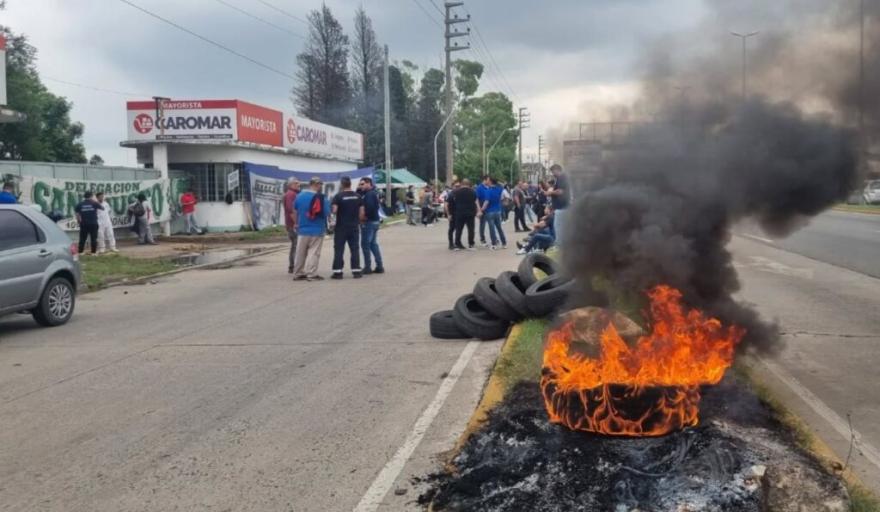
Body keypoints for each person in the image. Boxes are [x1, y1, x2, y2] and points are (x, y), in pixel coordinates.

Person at [292, 177, 330, 282]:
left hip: (302, 229)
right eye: (320, 184)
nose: (321, 186)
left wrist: (296, 223)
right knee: (314, 252)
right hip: (317, 229)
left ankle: (298, 273)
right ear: (317, 185)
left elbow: (294, 210)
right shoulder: (322, 198)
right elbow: (327, 213)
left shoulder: (299, 196)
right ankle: (311, 274)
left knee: (300, 252)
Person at [330, 177, 364, 279]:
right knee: (355, 249)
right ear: (350, 184)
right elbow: (362, 213)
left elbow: (334, 211)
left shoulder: (338, 196)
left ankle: (338, 272)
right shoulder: (358, 196)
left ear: (342, 184)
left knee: (339, 249)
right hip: (354, 227)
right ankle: (356, 271)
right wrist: (359, 222)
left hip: (341, 227)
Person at [359, 177, 385, 275]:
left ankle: (367, 267)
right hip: (375, 221)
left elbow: (369, 207)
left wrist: (364, 217)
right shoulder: (372, 193)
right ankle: (379, 266)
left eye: (362, 184)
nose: (360, 186)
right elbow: (377, 206)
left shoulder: (369, 194)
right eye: (360, 184)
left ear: (369, 183)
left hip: (369, 222)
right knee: (373, 244)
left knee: (365, 245)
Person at [479, 177, 507, 250]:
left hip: (489, 212)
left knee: (492, 229)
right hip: (498, 211)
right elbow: (503, 185)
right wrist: (497, 182)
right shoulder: (499, 189)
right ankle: (504, 243)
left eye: (488, 180)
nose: (487, 182)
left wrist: (481, 209)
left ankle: (494, 244)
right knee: (499, 228)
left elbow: (486, 202)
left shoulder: (488, 191)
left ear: (491, 182)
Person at [548, 164, 570, 246]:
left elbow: (560, 191)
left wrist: (550, 192)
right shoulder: (561, 178)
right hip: (561, 207)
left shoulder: (561, 178)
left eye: (553, 171)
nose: (552, 173)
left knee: (558, 227)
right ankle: (559, 245)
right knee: (558, 227)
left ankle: (559, 246)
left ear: (557, 170)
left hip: (562, 208)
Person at [452, 179, 478, 250]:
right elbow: (475, 201)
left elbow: (454, 200)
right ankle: (471, 244)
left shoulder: (456, 192)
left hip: (459, 212)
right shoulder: (473, 192)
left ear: (462, 184)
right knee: (471, 229)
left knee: (459, 229)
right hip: (470, 213)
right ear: (469, 184)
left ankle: (457, 244)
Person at [282, 180, 300, 274]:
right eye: (296, 183)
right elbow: (291, 210)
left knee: (295, 245)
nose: (298, 185)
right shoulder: (291, 194)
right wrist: (296, 223)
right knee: (296, 245)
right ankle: (293, 266)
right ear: (291, 185)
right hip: (292, 224)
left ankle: (293, 266)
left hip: (291, 224)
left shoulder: (292, 194)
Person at [444, 181, 460, 250]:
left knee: (458, 229)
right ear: (453, 186)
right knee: (451, 229)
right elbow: (446, 205)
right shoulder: (450, 194)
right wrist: (448, 214)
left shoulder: (459, 194)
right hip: (452, 214)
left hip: (458, 214)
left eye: (459, 186)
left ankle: (457, 243)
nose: (458, 188)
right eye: (456, 186)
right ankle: (451, 244)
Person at [475, 176, 490, 246]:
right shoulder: (479, 188)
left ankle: (494, 238)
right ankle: (482, 239)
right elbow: (476, 199)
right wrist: (478, 210)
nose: (489, 182)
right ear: (485, 180)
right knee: (482, 224)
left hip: (490, 209)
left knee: (492, 225)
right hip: (482, 209)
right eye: (488, 180)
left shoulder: (489, 187)